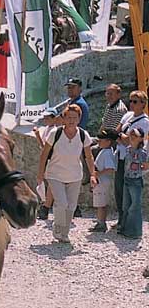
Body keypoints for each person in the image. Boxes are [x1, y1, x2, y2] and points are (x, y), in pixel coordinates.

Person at [37, 104, 97, 243]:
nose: (71, 120)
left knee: (71, 206)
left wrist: (93, 174)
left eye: (74, 118)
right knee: (62, 203)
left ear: (79, 119)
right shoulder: (55, 134)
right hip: (55, 174)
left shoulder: (83, 135)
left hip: (75, 175)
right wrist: (40, 174)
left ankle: (64, 233)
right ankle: (58, 229)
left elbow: (89, 156)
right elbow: (44, 154)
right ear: (63, 118)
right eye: (68, 117)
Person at [113, 90, 149, 229]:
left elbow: (131, 141)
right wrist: (121, 136)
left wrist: (121, 136)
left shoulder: (145, 122)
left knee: (129, 194)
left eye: (135, 101)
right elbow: (116, 132)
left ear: (143, 104)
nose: (131, 104)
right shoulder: (127, 116)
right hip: (121, 157)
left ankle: (128, 224)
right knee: (119, 190)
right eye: (130, 101)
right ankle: (122, 219)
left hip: (132, 160)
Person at [119, 128, 147, 239]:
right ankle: (125, 228)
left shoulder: (142, 153)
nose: (132, 136)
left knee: (135, 206)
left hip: (136, 180)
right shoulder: (127, 149)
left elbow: (145, 166)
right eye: (131, 134)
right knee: (126, 205)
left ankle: (134, 231)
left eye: (135, 135)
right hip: (127, 179)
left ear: (140, 138)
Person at [90, 128, 118, 232]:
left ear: (108, 141)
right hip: (101, 181)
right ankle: (100, 222)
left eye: (102, 140)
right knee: (100, 203)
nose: (99, 142)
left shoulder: (107, 153)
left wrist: (98, 174)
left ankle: (101, 223)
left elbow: (110, 169)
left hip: (102, 181)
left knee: (101, 203)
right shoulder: (106, 151)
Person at [33, 108, 59, 220]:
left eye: (48, 118)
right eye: (45, 118)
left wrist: (38, 135)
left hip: (50, 160)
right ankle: (45, 204)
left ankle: (45, 205)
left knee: (49, 183)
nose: (45, 120)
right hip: (48, 159)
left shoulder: (53, 131)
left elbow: (45, 148)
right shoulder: (48, 129)